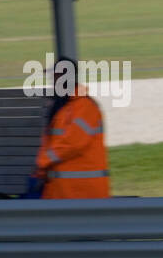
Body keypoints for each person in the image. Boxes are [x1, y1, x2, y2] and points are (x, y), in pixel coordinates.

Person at [34, 67, 111, 199]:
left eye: (56, 77)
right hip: (64, 191)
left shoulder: (84, 106)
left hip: (83, 193)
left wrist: (43, 161)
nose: (53, 82)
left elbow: (72, 143)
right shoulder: (63, 107)